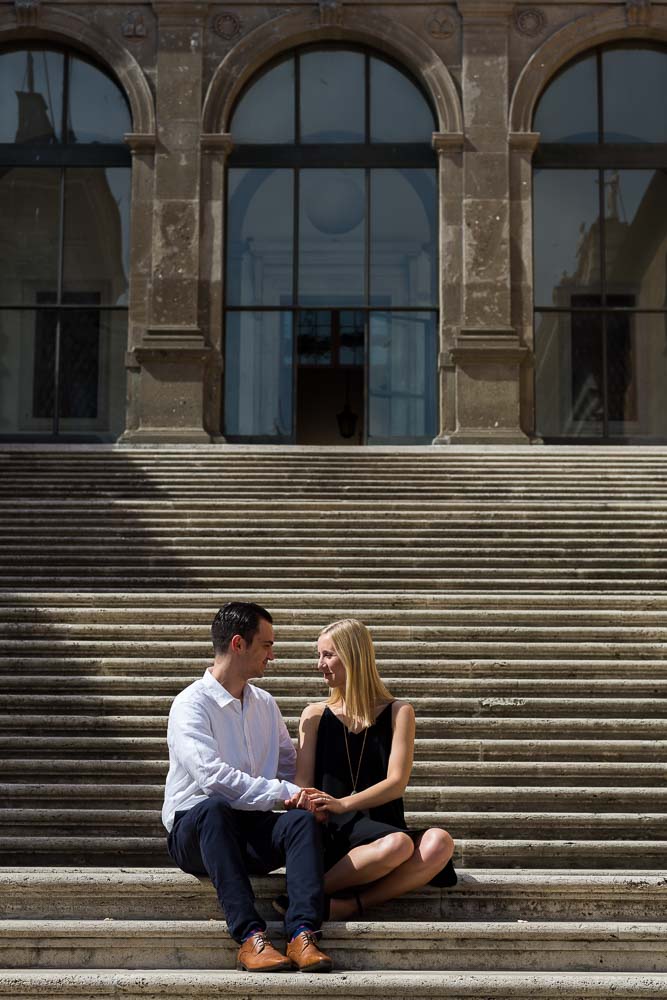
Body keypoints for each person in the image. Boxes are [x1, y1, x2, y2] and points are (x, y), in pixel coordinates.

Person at [162, 601, 332, 973]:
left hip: (249, 827)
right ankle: (250, 937)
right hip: (196, 831)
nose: (273, 655)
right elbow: (212, 778)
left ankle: (302, 933)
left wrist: (310, 796)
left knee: (301, 823)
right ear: (239, 644)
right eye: (267, 645)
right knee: (214, 808)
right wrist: (281, 793)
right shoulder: (191, 704)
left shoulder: (265, 705)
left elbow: (289, 766)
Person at [282, 618, 456, 920]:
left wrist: (343, 803)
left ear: (353, 657)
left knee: (439, 842)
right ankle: (306, 891)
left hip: (382, 825)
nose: (319, 664)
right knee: (399, 845)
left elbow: (396, 783)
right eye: (318, 655)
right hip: (334, 833)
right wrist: (317, 807)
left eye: (328, 655)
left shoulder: (399, 712)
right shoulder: (313, 715)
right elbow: (302, 784)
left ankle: (348, 904)